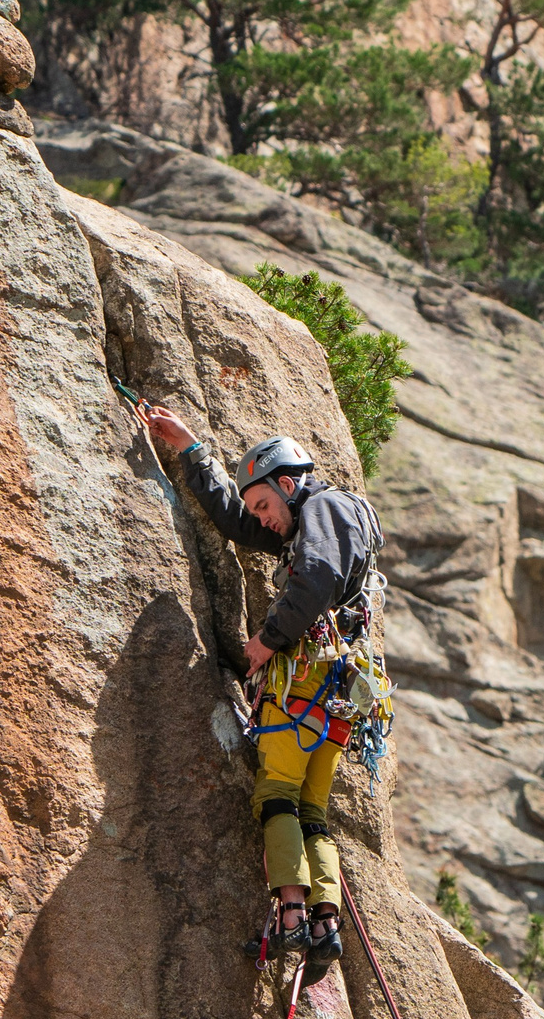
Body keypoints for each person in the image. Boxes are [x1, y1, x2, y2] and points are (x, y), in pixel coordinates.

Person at [141, 404, 382, 974]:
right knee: (312, 808)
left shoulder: (322, 508)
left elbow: (316, 578)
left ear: (289, 483)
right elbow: (238, 524)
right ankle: (325, 925)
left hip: (303, 680)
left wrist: (266, 642)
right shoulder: (329, 519)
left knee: (276, 795)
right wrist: (193, 452)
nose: (264, 518)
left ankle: (292, 918)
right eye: (259, 508)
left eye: (267, 503)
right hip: (341, 695)